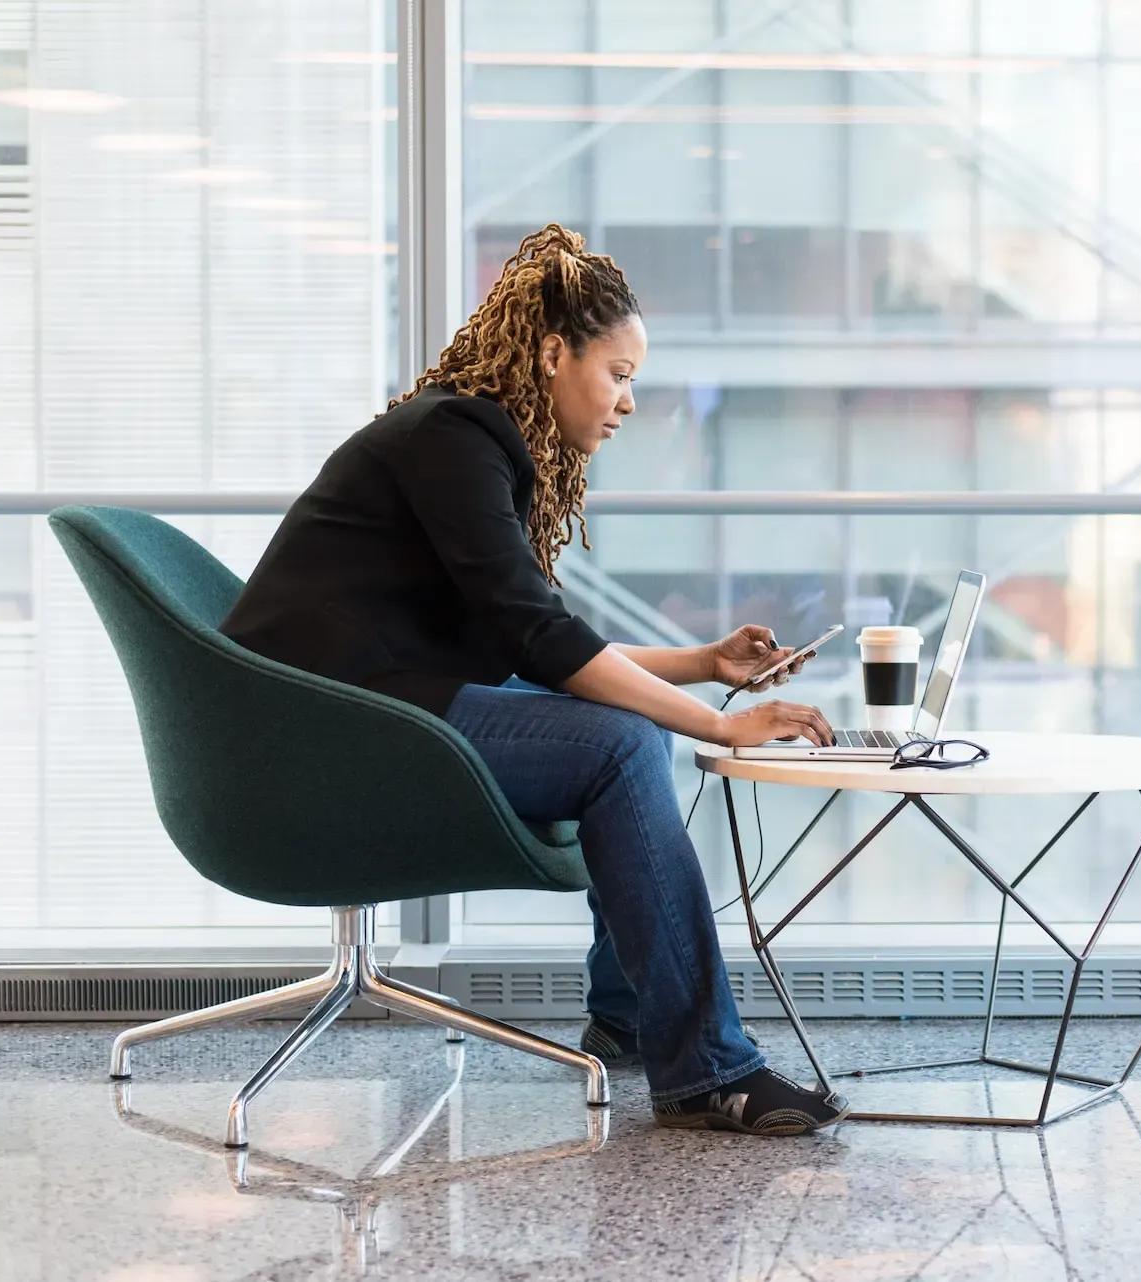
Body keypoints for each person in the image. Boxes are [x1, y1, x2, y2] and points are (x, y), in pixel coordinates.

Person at [220, 223, 847, 1136]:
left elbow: (536, 639)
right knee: (626, 739)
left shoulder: (466, 439)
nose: (630, 402)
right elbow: (542, 639)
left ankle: (632, 1019)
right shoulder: (456, 436)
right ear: (554, 354)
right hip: (321, 728)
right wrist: (719, 723)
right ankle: (707, 1068)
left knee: (630, 727)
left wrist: (704, 667)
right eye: (620, 374)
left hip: (361, 705)